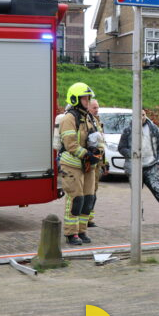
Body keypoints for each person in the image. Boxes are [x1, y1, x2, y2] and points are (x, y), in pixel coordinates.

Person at [59, 82, 103, 245]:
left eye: (88, 98)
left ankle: (82, 230)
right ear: (75, 99)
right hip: (72, 166)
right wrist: (87, 155)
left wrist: (98, 153)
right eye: (84, 98)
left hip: (88, 166)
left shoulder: (89, 117)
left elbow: (99, 138)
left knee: (88, 199)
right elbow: (71, 144)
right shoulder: (69, 118)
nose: (87, 101)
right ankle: (71, 233)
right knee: (75, 199)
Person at [118, 109, 159, 222]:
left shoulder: (153, 129)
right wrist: (132, 154)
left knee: (158, 190)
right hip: (134, 167)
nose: (142, 118)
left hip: (151, 165)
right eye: (139, 115)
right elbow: (121, 147)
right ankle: (138, 216)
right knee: (136, 194)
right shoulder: (128, 130)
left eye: (144, 115)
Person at [87, 99, 108, 228]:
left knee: (94, 191)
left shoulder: (97, 121)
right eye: (94, 107)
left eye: (97, 108)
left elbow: (102, 144)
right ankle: (86, 218)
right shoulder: (87, 121)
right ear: (88, 107)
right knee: (89, 191)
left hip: (98, 162)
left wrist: (105, 163)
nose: (97, 110)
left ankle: (89, 218)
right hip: (90, 161)